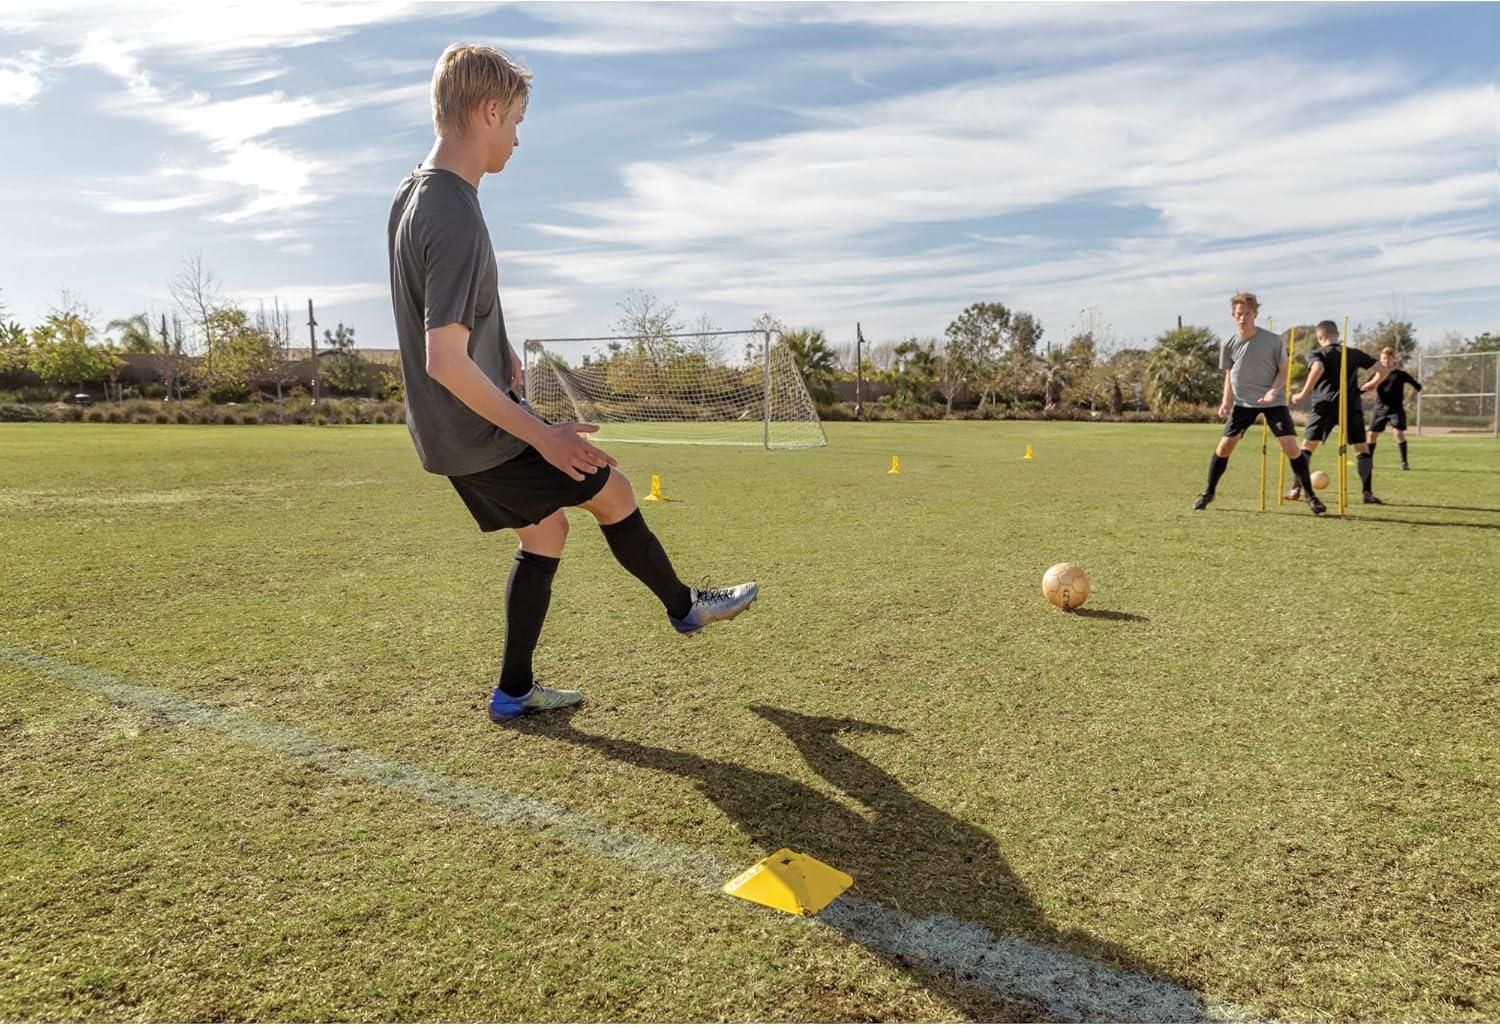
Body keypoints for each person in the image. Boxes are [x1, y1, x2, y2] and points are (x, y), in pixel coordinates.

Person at [386, 44, 757, 723]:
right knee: (610, 489)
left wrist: (501, 354)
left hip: (443, 434)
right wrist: (544, 437)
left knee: (545, 533)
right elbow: (444, 358)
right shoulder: (456, 211)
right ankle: (685, 608)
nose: (520, 137)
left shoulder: (415, 192)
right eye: (518, 120)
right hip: (477, 432)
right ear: (489, 111)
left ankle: (514, 691)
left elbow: (444, 319)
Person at [1193, 292, 1322, 513]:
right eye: (1238, 314)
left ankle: (1311, 496)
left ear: (1255, 314)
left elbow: (1283, 370)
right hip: (1243, 403)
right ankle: (1208, 493)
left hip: (1273, 402)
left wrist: (1273, 392)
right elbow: (1229, 374)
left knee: (1291, 447)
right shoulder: (1229, 343)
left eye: (1247, 314)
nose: (1242, 318)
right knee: (1224, 448)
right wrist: (1226, 401)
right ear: (1233, 315)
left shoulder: (1272, 340)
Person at [1286, 321, 1387, 504]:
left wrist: (1302, 394)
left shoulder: (1316, 354)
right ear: (1337, 334)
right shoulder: (1353, 353)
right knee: (1361, 448)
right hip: (1350, 404)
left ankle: (1295, 489)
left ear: (1319, 337)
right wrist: (1373, 384)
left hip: (1324, 405)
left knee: (1307, 447)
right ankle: (1367, 493)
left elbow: (1317, 368)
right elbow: (1383, 370)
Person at [1366, 347, 1423, 469]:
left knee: (1398, 433)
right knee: (1371, 435)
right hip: (1379, 408)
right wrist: (1365, 391)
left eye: (1389, 358)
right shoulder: (1377, 374)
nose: (1386, 361)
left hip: (1395, 409)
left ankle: (1404, 463)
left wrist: (1412, 393)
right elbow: (1365, 387)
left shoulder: (1400, 375)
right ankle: (1368, 462)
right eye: (1384, 358)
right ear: (1380, 359)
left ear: (1393, 360)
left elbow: (1417, 386)